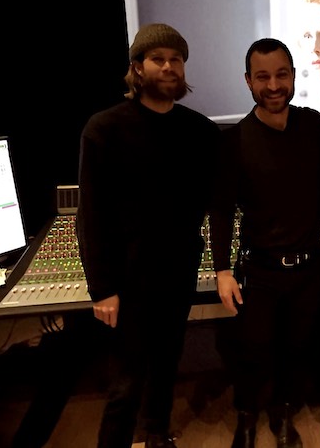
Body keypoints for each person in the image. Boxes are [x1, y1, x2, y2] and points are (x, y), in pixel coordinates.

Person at [76, 23, 222, 448]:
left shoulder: (200, 131)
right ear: (137, 68)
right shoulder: (104, 128)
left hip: (177, 275)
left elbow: (216, 196)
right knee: (126, 382)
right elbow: (92, 216)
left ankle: (156, 433)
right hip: (127, 280)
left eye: (176, 59)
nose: (169, 67)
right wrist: (102, 288)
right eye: (158, 59)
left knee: (166, 363)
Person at [209, 38, 320, 448]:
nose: (274, 85)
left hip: (310, 268)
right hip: (259, 271)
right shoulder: (235, 141)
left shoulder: (314, 126)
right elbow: (221, 210)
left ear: (294, 76)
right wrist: (222, 270)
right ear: (248, 82)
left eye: (282, 74)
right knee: (253, 352)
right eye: (263, 76)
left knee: (296, 350)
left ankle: (282, 414)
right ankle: (247, 414)